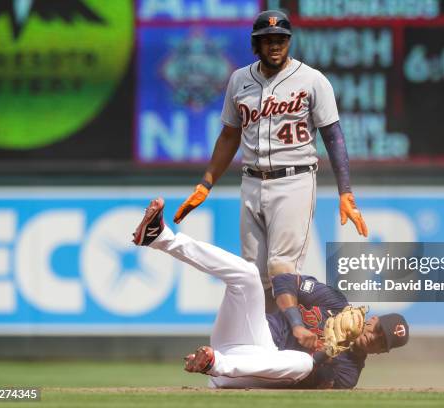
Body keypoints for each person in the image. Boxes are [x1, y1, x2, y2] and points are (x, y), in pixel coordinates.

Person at [172, 10, 369, 301]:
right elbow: (229, 135)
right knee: (253, 278)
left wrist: (346, 191)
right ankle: (270, 342)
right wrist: (206, 183)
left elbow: (333, 136)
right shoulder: (239, 80)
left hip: (294, 180)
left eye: (281, 39)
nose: (275, 45)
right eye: (268, 40)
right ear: (256, 44)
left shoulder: (312, 80)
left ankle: (311, 325)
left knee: (282, 270)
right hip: (251, 183)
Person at [133, 198, 408, 389]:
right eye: (378, 329)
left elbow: (300, 385)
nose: (374, 336)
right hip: (252, 334)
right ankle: (160, 237)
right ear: (373, 320)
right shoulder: (336, 304)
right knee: (248, 275)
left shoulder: (349, 374)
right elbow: (284, 280)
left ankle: (213, 364)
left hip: (245, 372)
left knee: (302, 363)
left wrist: (327, 353)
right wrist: (298, 326)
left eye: (381, 341)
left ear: (382, 352)